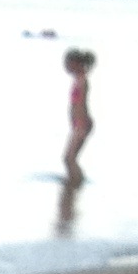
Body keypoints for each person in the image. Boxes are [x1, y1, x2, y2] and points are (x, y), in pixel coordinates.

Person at [61, 47, 97, 187]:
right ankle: (73, 184)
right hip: (78, 123)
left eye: (68, 64)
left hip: (82, 123)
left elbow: (81, 104)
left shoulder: (82, 81)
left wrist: (80, 126)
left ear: (76, 63)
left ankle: (76, 184)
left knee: (69, 158)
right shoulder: (78, 79)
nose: (66, 67)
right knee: (70, 158)